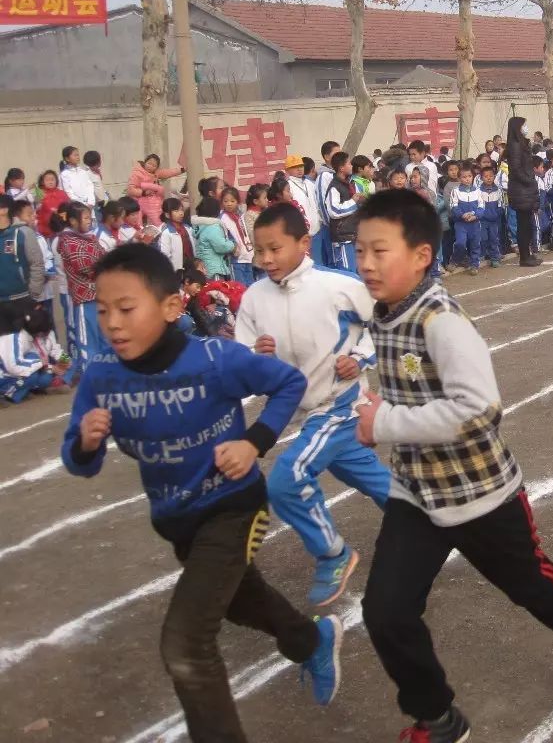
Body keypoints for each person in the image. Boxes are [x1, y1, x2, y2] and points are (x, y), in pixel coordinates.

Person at [351, 190, 553, 743]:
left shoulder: (441, 320)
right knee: (386, 611)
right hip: (417, 494)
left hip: (482, 495)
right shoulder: (383, 313)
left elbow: (480, 409)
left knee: (530, 587)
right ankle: (438, 717)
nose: (366, 264)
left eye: (379, 251)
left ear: (421, 255)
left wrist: (386, 424)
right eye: (359, 251)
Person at [60, 244, 342, 740]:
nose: (113, 323)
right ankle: (311, 639)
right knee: (234, 600)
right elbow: (79, 462)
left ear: (171, 307)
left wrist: (254, 442)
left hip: (234, 505)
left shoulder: (214, 358)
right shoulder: (103, 377)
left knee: (186, 644)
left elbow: (287, 383)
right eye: (103, 311)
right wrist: (85, 443)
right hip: (178, 521)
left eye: (127, 308)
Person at [237, 203, 391, 604]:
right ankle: (430, 523)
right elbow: (242, 359)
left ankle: (333, 554)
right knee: (378, 483)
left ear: (304, 243)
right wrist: (257, 356)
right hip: (306, 408)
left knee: (286, 481)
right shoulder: (254, 298)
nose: (266, 259)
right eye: (259, 250)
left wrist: (358, 358)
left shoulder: (337, 286)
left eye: (275, 248)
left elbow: (384, 322)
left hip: (341, 405)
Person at [57, 202, 105, 386]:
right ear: (73, 221)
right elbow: (85, 266)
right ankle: (88, 378)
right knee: (88, 343)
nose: (89, 221)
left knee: (104, 339)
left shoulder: (90, 238)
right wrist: (102, 264)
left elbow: (104, 257)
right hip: (85, 299)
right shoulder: (68, 240)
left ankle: (106, 375)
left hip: (100, 296)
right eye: (85, 218)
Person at [0, 194, 48, 335]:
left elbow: (37, 264)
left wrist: (33, 295)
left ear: (4, 210)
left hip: (23, 299)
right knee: (6, 350)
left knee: (34, 342)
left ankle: (63, 358)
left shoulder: (23, 233)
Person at [0, 303, 66, 402]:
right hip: (5, 370)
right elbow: (13, 366)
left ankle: (29, 388)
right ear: (39, 332)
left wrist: (65, 360)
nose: (47, 334)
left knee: (45, 378)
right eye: (45, 332)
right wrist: (47, 366)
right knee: (32, 376)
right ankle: (7, 392)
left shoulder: (37, 333)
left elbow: (54, 348)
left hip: (31, 367)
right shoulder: (16, 337)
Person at [504, 117, 543, 265]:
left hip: (525, 189)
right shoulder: (515, 145)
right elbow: (515, 168)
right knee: (523, 224)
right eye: (523, 125)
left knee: (527, 224)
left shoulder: (522, 143)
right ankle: (524, 257)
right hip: (521, 190)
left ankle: (528, 254)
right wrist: (528, 180)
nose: (526, 127)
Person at [324, 151, 363, 274]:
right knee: (347, 273)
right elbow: (334, 211)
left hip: (352, 236)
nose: (352, 166)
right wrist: (353, 201)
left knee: (356, 272)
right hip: (342, 238)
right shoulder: (334, 186)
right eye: (349, 164)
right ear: (341, 168)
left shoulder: (347, 184)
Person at [283, 154, 324, 262]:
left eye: (301, 166)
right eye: (295, 167)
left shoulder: (310, 183)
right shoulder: (288, 186)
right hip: (302, 235)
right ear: (287, 170)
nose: (299, 169)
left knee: (319, 265)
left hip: (317, 231)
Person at [127, 154, 184, 226]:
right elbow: (130, 189)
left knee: (158, 222)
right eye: (149, 163)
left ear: (157, 167)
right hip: (138, 201)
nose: (150, 167)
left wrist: (182, 170)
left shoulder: (156, 173)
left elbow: (168, 172)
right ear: (145, 162)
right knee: (137, 224)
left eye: (154, 166)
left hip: (153, 202)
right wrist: (143, 192)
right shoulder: (137, 173)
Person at [220, 187, 256, 285]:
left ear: (238, 202)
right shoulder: (222, 218)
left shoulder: (239, 216)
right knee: (239, 288)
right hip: (236, 259)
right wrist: (234, 249)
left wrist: (250, 250)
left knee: (250, 286)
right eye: (226, 201)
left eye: (232, 201)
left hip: (247, 256)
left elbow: (245, 234)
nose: (229, 204)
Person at [194, 196, 236, 280]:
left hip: (206, 267)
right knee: (217, 291)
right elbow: (221, 246)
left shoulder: (200, 226)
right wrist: (233, 244)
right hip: (215, 269)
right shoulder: (212, 227)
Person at [158, 197, 194, 273]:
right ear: (167, 214)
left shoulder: (188, 228)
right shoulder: (166, 233)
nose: (181, 213)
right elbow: (165, 255)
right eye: (176, 211)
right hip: (176, 269)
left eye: (181, 210)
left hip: (191, 265)